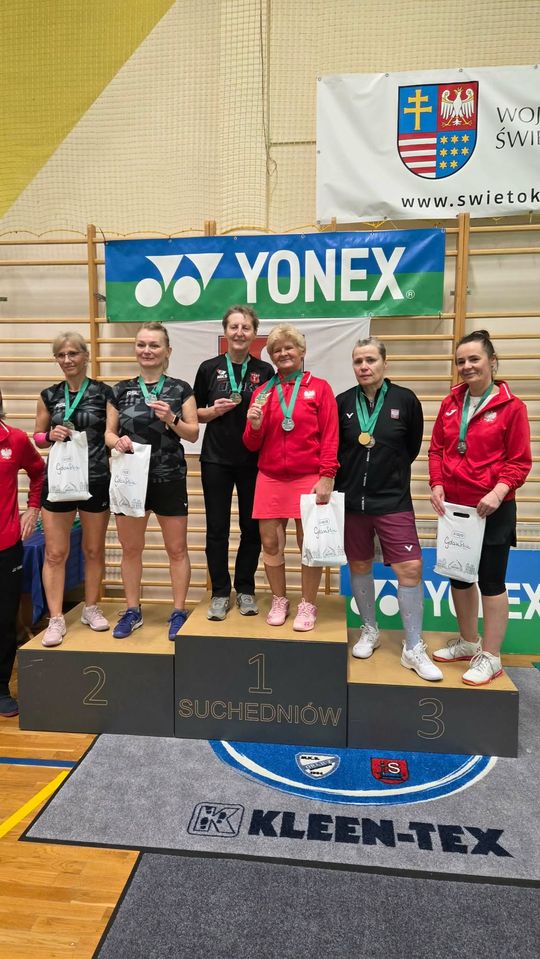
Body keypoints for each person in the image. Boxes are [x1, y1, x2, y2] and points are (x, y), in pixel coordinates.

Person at [335, 336, 442, 682]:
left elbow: (410, 448)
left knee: (410, 568)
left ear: (384, 363)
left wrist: (389, 475)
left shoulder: (405, 400)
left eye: (370, 360)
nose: (364, 367)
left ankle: (413, 647)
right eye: (358, 361)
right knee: (359, 564)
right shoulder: (342, 402)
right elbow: (336, 450)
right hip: (352, 501)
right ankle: (370, 629)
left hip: (393, 500)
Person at [429, 329, 532, 686]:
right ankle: (468, 642)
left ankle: (491, 657)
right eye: (461, 361)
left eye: (474, 359)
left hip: (493, 508)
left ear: (492, 361)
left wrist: (498, 492)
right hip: (456, 508)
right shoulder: (450, 402)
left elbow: (519, 462)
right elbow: (437, 450)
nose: (467, 366)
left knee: (491, 581)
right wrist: (437, 484)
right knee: (459, 577)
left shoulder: (512, 407)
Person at [105, 322, 199, 640]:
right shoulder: (119, 390)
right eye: (142, 344)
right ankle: (132, 610)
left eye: (154, 345)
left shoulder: (181, 388)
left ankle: (178, 611)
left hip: (168, 477)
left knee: (177, 549)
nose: (147, 350)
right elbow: (108, 433)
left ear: (167, 351)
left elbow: (193, 433)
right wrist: (116, 442)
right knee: (131, 549)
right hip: (131, 479)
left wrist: (171, 418)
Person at [243, 323, 339, 632]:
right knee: (270, 542)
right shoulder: (262, 392)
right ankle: (279, 599)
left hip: (307, 476)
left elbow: (331, 436)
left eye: (289, 347)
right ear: (270, 356)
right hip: (270, 477)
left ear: (302, 351)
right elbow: (251, 444)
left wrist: (327, 475)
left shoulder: (320, 388)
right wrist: (254, 425)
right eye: (276, 349)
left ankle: (308, 603)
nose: (283, 353)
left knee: (308, 544)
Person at [194, 305, 274, 621]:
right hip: (216, 459)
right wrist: (212, 411)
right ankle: (219, 592)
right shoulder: (208, 368)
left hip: (253, 460)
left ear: (254, 333)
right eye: (234, 327)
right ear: (225, 331)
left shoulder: (265, 371)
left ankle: (245, 589)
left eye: (246, 327)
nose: (240, 332)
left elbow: (272, 415)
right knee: (217, 529)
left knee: (251, 529)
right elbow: (193, 414)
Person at [33, 333, 113, 648]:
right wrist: (49, 436)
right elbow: (38, 437)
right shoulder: (48, 395)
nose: (67, 360)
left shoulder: (105, 393)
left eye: (73, 353)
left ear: (85, 355)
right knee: (55, 553)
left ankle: (91, 607)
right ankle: (55, 618)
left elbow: (112, 433)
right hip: (60, 481)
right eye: (61, 355)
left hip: (95, 479)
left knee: (93, 550)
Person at [0, 388, 45, 716]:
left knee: (4, 621)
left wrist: (32, 508)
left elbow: (38, 472)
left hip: (6, 546)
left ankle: (1, 688)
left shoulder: (14, 439)